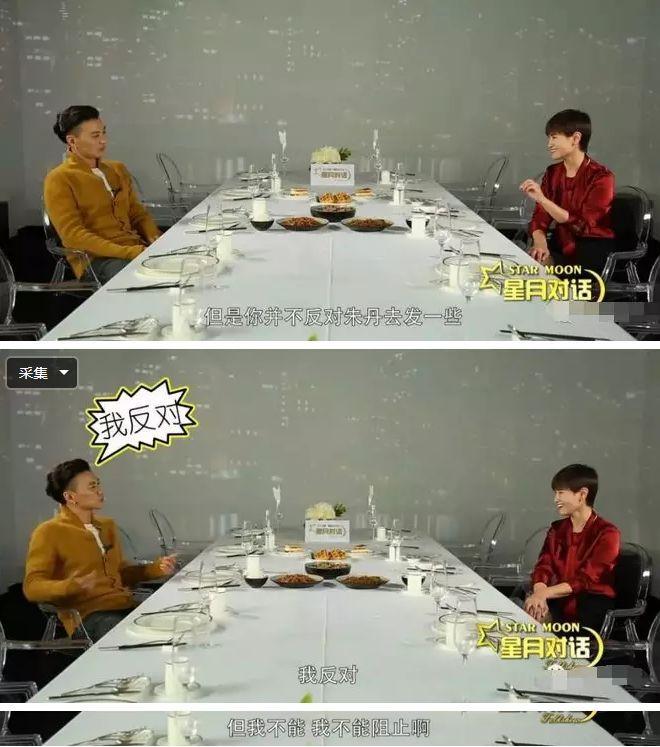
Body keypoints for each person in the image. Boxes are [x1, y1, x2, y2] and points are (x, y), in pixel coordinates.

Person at [23, 459, 177, 642]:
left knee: (174, 622)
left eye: (98, 484)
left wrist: (156, 568)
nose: (100, 491)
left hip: (124, 606)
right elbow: (32, 587)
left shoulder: (107, 526)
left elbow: (121, 574)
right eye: (92, 487)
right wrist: (73, 586)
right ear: (70, 497)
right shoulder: (48, 532)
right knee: (138, 635)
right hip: (87, 618)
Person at [44, 105, 161, 284]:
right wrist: (130, 252)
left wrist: (155, 238)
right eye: (95, 136)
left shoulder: (118, 169)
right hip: (95, 260)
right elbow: (74, 236)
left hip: (136, 249)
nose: (103, 140)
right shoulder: (59, 178)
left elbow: (137, 213)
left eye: (103, 133)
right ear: (72, 141)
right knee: (144, 279)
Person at [524, 464, 620, 634]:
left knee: (537, 629)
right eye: (555, 493)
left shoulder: (608, 533)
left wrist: (544, 594)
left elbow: (586, 579)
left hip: (590, 607)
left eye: (561, 493)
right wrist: (539, 594)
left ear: (582, 494)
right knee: (529, 616)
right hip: (558, 599)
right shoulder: (557, 530)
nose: (555, 499)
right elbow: (544, 566)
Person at [521, 109, 616, 279]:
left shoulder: (602, 177)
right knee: (531, 263)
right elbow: (540, 217)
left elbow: (582, 225)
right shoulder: (553, 172)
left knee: (540, 275)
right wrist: (541, 244)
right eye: (549, 138)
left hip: (591, 248)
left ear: (575, 138)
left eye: (554, 137)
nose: (549, 144)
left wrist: (543, 199)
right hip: (560, 243)